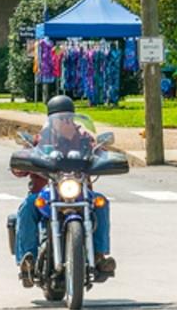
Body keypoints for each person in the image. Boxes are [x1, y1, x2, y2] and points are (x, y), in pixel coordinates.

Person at [11, 95, 113, 282]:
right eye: (60, 118)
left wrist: (106, 158)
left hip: (79, 192)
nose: (65, 122)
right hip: (47, 192)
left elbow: (99, 152)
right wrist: (21, 162)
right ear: (51, 120)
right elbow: (21, 164)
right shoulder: (40, 140)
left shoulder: (84, 138)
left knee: (101, 202)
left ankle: (99, 255)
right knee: (27, 206)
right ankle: (28, 260)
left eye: (68, 118)